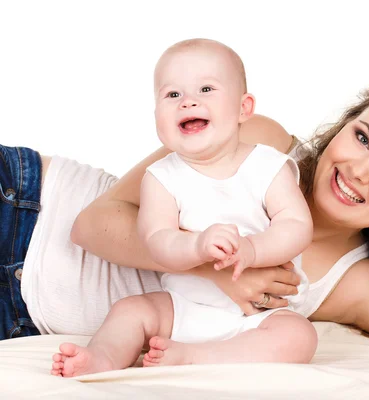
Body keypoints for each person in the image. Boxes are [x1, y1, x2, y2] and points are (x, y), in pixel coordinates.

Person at [0, 66, 369, 367]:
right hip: (24, 207)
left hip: (20, 317)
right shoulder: (262, 146)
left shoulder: (353, 284)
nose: (358, 170)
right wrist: (212, 267)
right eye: (361, 136)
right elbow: (90, 225)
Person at [47, 39, 315, 377]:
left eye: (206, 89)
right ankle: (101, 359)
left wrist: (251, 249)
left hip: (257, 316)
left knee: (300, 336)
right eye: (172, 95)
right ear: (156, 115)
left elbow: (296, 225)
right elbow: (157, 240)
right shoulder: (161, 177)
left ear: (244, 108)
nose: (188, 101)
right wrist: (196, 245)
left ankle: (197, 356)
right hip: (184, 307)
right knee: (130, 310)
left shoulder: (268, 165)